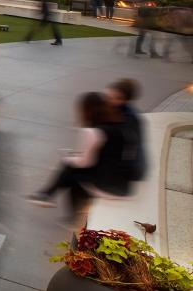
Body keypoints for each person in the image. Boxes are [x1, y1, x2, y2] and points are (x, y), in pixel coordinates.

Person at [28, 92, 133, 221]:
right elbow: (105, 154)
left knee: (69, 170)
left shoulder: (92, 132)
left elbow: (85, 162)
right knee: (73, 172)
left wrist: (67, 157)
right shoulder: (116, 125)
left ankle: (47, 195)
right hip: (121, 182)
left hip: (106, 185)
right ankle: (50, 198)